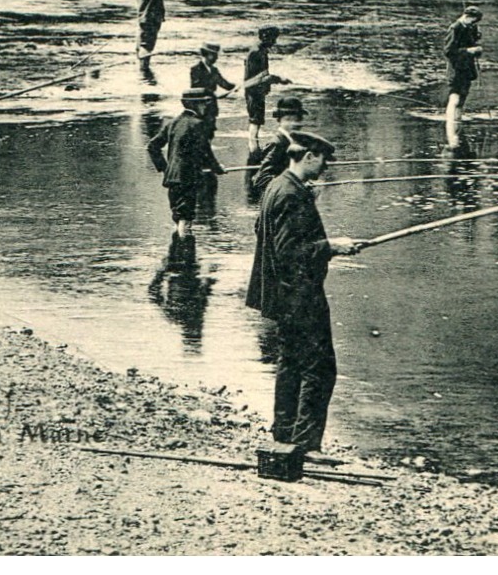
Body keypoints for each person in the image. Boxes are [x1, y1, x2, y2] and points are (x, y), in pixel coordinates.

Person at [245, 131, 363, 455]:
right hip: (300, 296)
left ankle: (284, 436)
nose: (325, 167)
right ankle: (307, 445)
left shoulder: (278, 186)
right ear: (308, 156)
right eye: (323, 160)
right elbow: (288, 252)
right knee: (320, 369)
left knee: (291, 364)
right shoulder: (290, 195)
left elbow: (263, 231)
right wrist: (332, 246)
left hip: (283, 296)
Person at [147, 90, 225, 292]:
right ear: (194, 104)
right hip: (188, 179)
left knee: (178, 218)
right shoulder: (198, 124)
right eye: (203, 103)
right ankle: (184, 261)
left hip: (172, 179)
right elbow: (205, 152)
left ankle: (176, 261)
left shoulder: (173, 123)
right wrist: (217, 168)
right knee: (186, 220)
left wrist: (165, 168)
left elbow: (152, 146)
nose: (206, 106)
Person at [242, 26, 292, 153]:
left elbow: (262, 75)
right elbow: (259, 77)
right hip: (254, 92)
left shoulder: (260, 50)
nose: (274, 42)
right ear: (265, 37)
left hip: (256, 91)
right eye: (273, 39)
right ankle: (253, 150)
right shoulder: (256, 52)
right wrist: (279, 79)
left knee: (257, 120)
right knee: (255, 120)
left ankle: (254, 148)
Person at [248, 96, 307, 200]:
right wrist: (289, 186)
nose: (294, 124)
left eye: (297, 119)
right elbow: (261, 179)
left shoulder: (291, 140)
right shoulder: (277, 143)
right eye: (288, 120)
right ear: (279, 120)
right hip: (278, 198)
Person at [443, 6, 484, 150]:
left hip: (467, 68)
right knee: (454, 97)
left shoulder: (470, 28)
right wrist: (469, 50)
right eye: (474, 21)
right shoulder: (455, 28)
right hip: (456, 68)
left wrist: (476, 45)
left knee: (464, 95)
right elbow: (448, 51)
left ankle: (457, 121)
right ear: (467, 16)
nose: (474, 24)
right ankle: (451, 128)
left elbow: (472, 45)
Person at [190, 42, 236, 139]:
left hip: (211, 108)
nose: (216, 58)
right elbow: (197, 89)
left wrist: (237, 86)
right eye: (214, 55)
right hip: (200, 109)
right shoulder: (195, 69)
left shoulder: (214, 70)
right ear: (205, 54)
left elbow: (224, 84)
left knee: (210, 133)